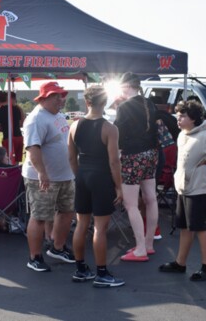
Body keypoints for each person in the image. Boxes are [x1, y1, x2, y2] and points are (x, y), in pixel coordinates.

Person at [68, 85, 125, 287]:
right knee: (100, 228)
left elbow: (71, 158)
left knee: (81, 224)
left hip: (83, 175)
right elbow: (114, 162)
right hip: (100, 177)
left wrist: (80, 176)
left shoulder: (74, 126)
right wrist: (119, 187)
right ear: (105, 102)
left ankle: (81, 269)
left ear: (87, 101)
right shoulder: (110, 128)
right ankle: (101, 273)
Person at [159, 100, 206, 281]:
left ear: (193, 118)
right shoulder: (182, 135)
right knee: (185, 227)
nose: (178, 119)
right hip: (183, 189)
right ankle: (180, 263)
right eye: (178, 115)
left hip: (199, 189)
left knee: (200, 228)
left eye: (182, 116)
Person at [23, 81, 75, 272]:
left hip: (65, 175)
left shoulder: (58, 115)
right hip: (43, 178)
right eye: (56, 96)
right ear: (44, 98)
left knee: (67, 210)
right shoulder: (36, 119)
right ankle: (34, 257)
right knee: (40, 216)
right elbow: (33, 148)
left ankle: (58, 247)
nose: (61, 100)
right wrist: (42, 173)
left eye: (62, 96)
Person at [114, 72, 159, 262]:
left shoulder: (125, 107)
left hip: (132, 156)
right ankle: (148, 244)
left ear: (125, 86)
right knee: (151, 199)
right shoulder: (149, 103)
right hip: (151, 154)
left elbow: (117, 133)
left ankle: (140, 248)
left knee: (131, 204)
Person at [0, 91, 25, 164]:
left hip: (8, 138)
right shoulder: (16, 109)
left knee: (7, 159)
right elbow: (21, 124)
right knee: (17, 160)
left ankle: (10, 173)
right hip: (19, 137)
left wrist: (2, 127)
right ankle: (17, 172)